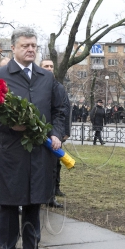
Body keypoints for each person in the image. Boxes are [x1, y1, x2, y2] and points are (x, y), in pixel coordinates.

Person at [0, 29, 66, 249]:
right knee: (9, 204)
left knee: (33, 203)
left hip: (39, 154)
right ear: (14, 49)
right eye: (25, 45)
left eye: (34, 45)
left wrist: (56, 133)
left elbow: (60, 109)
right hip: (11, 153)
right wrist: (9, 123)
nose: (31, 49)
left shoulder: (46, 77)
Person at [41, 59, 71, 208]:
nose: (49, 68)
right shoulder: (35, 84)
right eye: (46, 66)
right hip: (36, 132)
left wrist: (63, 132)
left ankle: (50, 197)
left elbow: (64, 110)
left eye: (51, 66)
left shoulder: (58, 87)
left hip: (53, 133)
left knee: (53, 167)